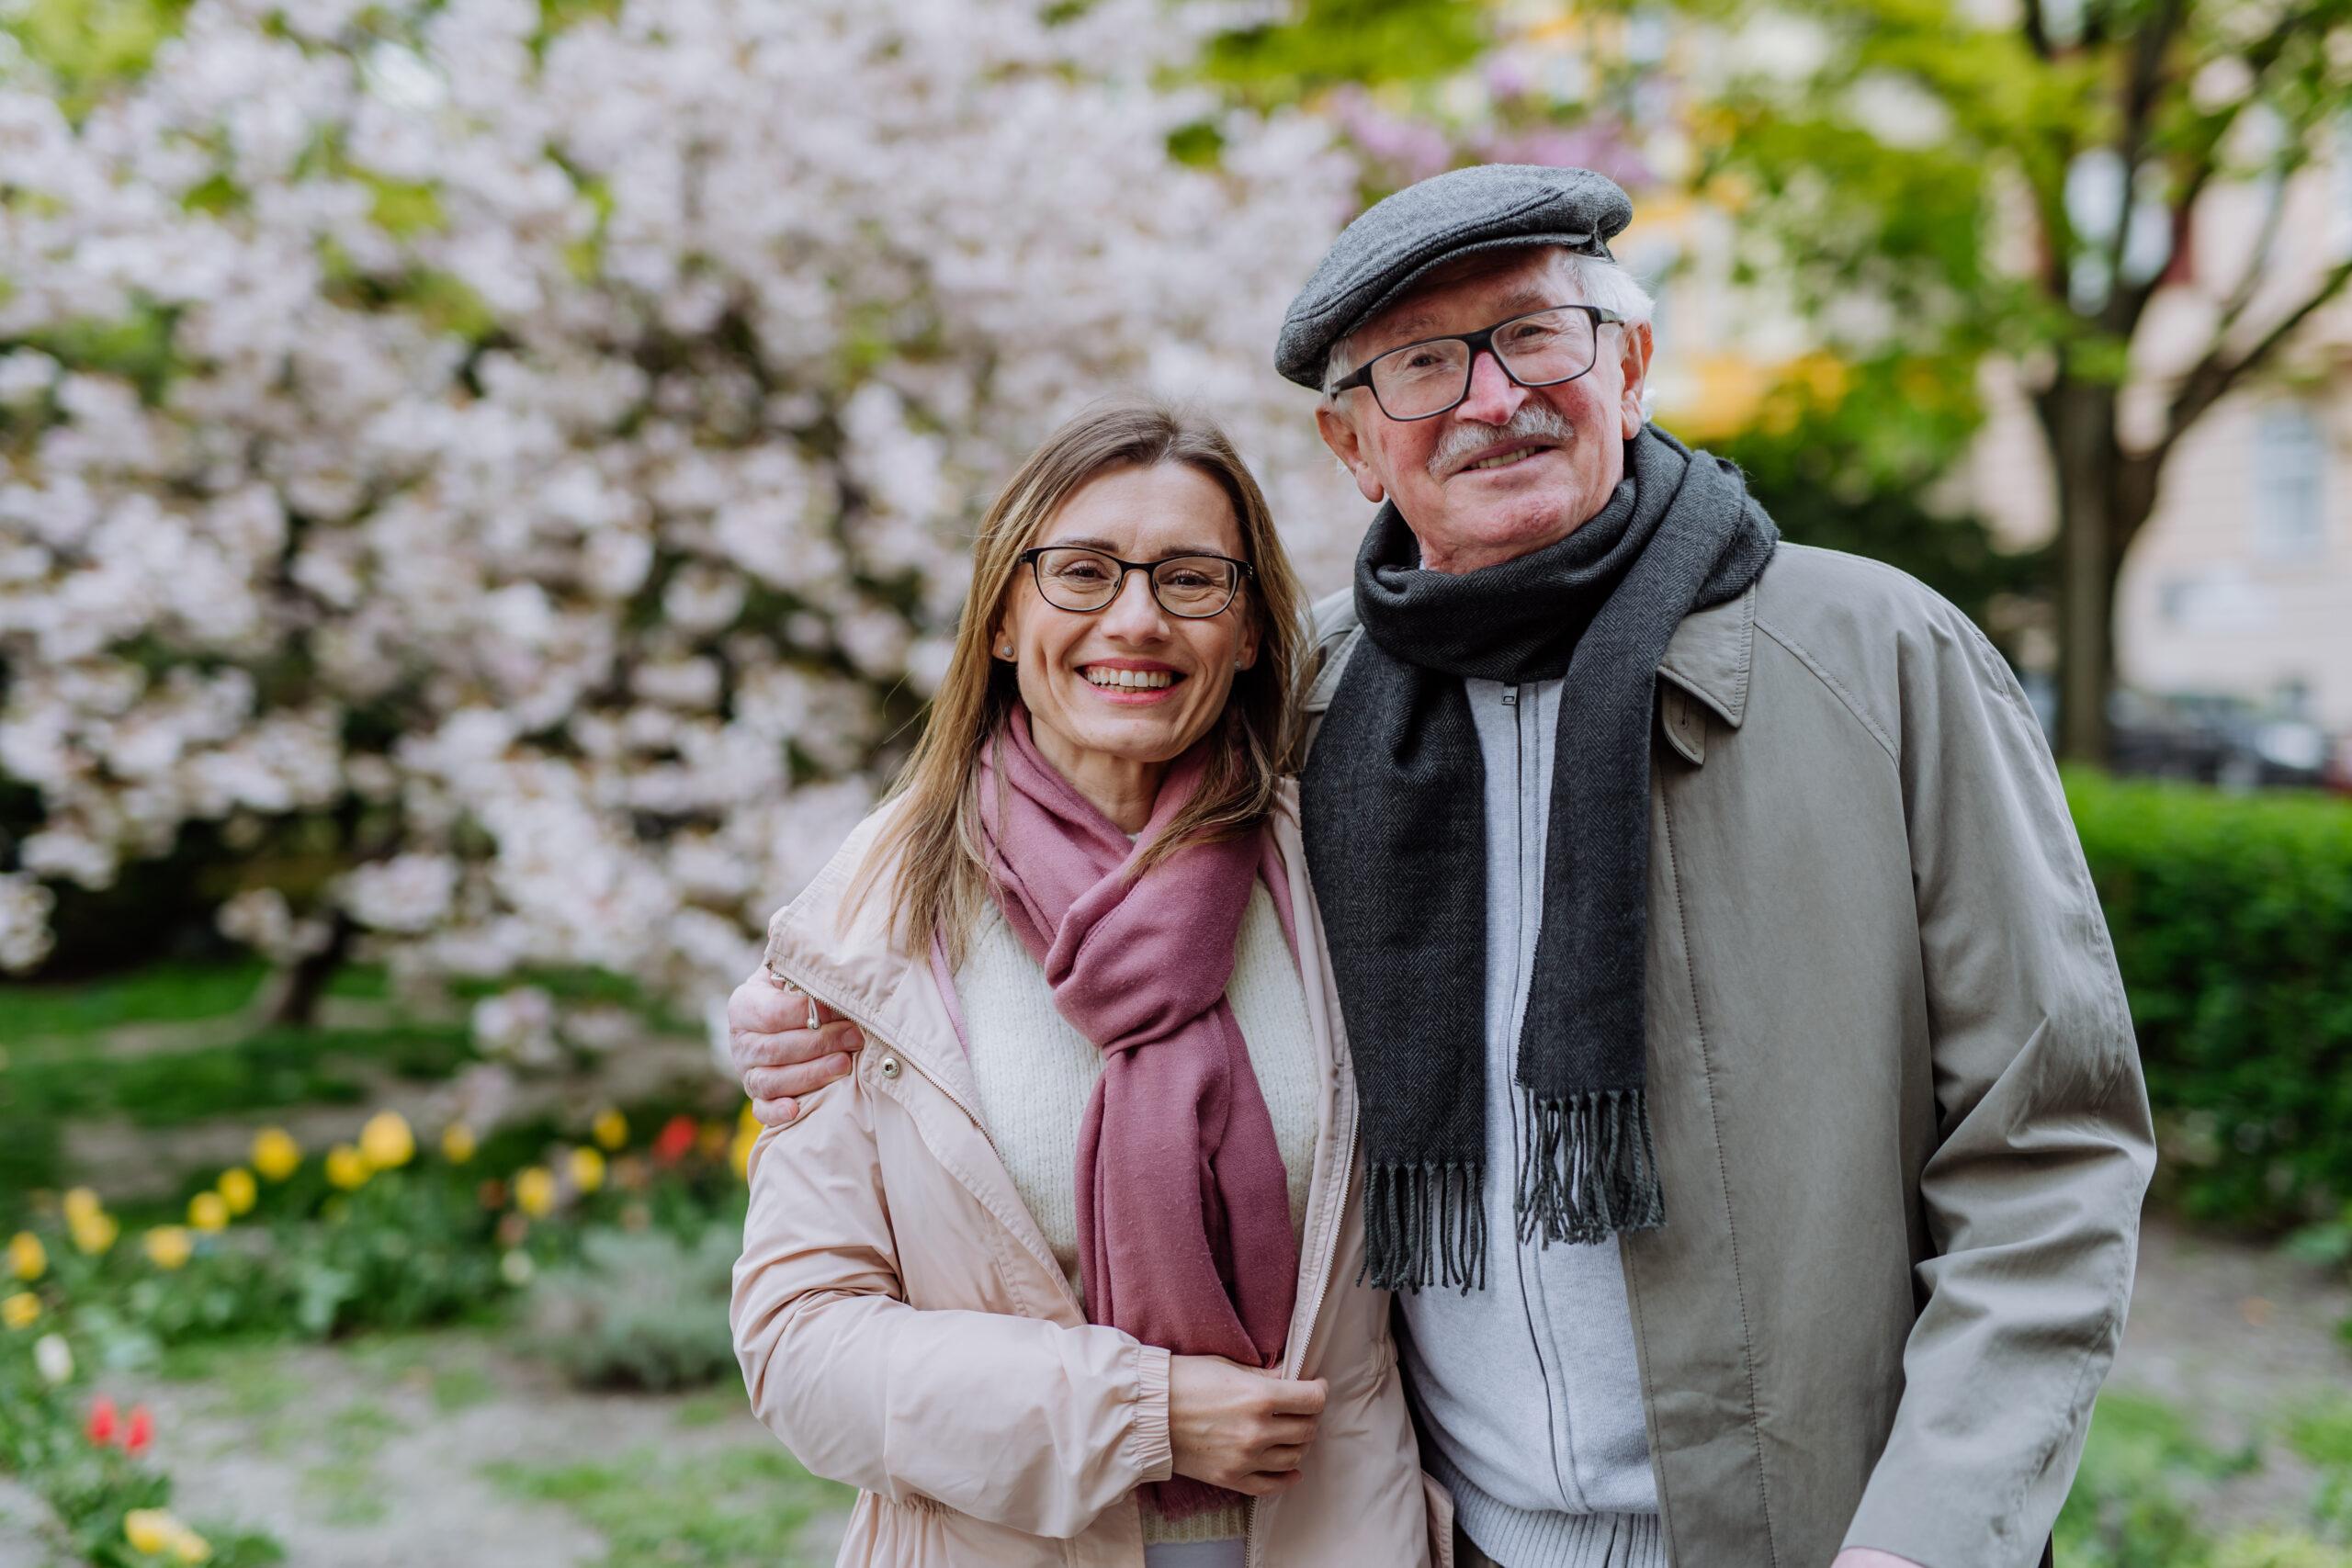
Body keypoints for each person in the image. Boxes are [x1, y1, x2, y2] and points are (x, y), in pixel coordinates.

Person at [731, 166, 2154, 1568]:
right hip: (1445, 1535)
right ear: (1356, 449)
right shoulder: (1306, 724)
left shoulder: (1877, 663)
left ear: (1633, 362)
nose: (1489, 399)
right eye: (1421, 365)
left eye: (1536, 335)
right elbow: (1049, 835)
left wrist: (1924, 1539)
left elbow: (2050, 1148)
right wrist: (793, 1018)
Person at [729, 400, 1448, 1568]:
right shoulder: (877, 917)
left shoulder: (1339, 876)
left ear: (1254, 629)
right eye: (1081, 573)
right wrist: (1143, 1414)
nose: (1136, 619)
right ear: (1004, 617)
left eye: (1191, 580)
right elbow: (798, 1349)